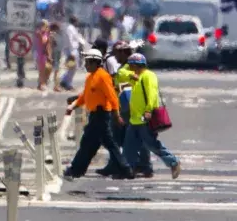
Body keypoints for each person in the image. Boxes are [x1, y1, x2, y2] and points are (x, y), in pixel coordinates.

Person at [63, 49, 135, 180]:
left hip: (102, 115)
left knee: (102, 143)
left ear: (96, 62)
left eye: (88, 62)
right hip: (95, 115)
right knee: (90, 144)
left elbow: (112, 97)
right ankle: (77, 170)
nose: (85, 65)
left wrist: (117, 115)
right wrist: (73, 106)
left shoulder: (103, 76)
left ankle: (76, 169)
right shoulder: (90, 77)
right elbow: (85, 96)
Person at [96, 41, 151, 177]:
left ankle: (139, 165)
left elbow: (135, 83)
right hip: (123, 106)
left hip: (129, 108)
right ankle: (120, 164)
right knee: (120, 137)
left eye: (116, 53)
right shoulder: (124, 67)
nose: (114, 57)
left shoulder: (129, 68)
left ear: (123, 53)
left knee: (126, 137)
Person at [124, 53, 181, 179]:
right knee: (129, 146)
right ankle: (130, 169)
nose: (129, 68)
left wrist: (148, 110)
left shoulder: (148, 76)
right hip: (135, 119)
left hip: (144, 118)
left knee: (151, 144)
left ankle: (173, 162)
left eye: (131, 65)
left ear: (136, 65)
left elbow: (151, 94)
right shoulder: (136, 77)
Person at [60, 16, 86, 91]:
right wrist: (71, 52)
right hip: (71, 50)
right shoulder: (70, 29)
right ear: (74, 21)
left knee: (73, 67)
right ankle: (68, 84)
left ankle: (64, 81)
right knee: (72, 67)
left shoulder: (73, 28)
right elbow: (70, 40)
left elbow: (78, 38)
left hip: (74, 50)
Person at [35, 20, 51, 91]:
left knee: (46, 69)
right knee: (42, 70)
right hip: (41, 53)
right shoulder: (39, 33)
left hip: (45, 54)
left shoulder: (46, 33)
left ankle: (42, 83)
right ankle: (42, 84)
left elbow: (48, 45)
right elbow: (43, 42)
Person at [49, 22, 63, 92]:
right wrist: (50, 56)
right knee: (56, 71)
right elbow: (51, 46)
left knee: (56, 71)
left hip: (57, 54)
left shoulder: (57, 35)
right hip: (55, 54)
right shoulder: (52, 35)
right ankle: (56, 86)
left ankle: (56, 85)